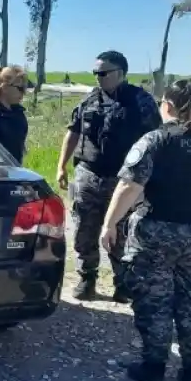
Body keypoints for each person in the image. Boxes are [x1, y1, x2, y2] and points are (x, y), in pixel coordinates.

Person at [100, 79, 191, 381]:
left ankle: (154, 367)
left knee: (155, 300)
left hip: (158, 233)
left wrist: (110, 223)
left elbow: (130, 186)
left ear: (166, 104)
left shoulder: (156, 140)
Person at [55, 50, 161, 302]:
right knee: (84, 228)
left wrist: (151, 179)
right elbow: (73, 132)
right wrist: (62, 165)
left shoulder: (141, 101)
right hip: (88, 175)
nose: (98, 78)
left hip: (123, 181)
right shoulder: (90, 100)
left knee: (122, 232)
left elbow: (157, 139)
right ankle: (87, 278)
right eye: (95, 73)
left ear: (121, 73)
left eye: (104, 73)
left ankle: (122, 282)